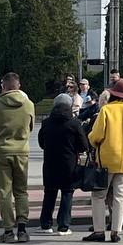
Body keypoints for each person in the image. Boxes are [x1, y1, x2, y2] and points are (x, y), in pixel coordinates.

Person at [85, 78, 123, 243]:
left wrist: (93, 142)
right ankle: (116, 231)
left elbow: (96, 135)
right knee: (120, 196)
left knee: (98, 195)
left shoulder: (107, 110)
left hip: (107, 159)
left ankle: (99, 230)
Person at [0, 72, 36, 243]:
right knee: (21, 191)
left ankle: (8, 231)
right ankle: (22, 229)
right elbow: (30, 127)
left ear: (3, 86)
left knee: (5, 192)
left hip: (1, 151)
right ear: (19, 86)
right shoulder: (29, 105)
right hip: (22, 151)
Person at [38, 93, 88, 235]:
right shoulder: (74, 123)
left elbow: (42, 143)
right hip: (69, 164)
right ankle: (63, 226)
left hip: (50, 164)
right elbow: (84, 145)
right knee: (67, 193)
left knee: (49, 193)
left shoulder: (46, 123)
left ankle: (46, 224)